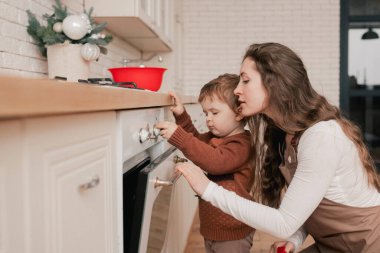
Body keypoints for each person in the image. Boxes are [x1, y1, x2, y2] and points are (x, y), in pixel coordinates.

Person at [175, 43, 380, 253]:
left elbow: (284, 222)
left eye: (245, 81)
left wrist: (207, 189)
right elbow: (307, 204)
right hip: (332, 245)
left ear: (275, 84)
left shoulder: (322, 137)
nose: (237, 90)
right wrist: (295, 239)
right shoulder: (285, 133)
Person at [155, 74, 255, 253]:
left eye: (214, 113)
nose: (208, 119)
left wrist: (178, 136)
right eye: (205, 113)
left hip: (233, 232)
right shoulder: (216, 137)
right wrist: (181, 115)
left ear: (239, 113)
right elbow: (196, 142)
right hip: (212, 227)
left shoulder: (242, 145)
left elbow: (214, 161)